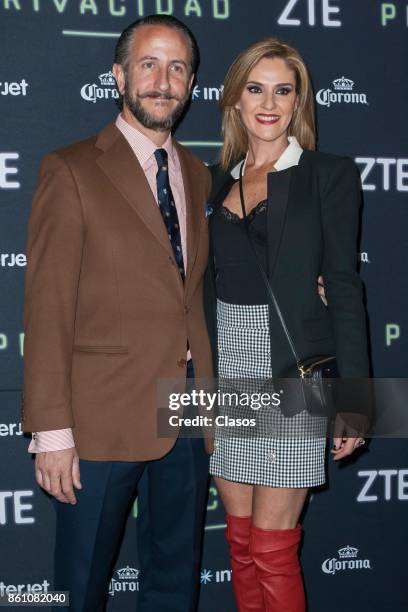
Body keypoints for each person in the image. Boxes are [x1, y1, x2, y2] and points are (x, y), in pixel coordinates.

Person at [21, 15, 214, 612]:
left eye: (178, 67)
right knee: (83, 585)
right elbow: (48, 304)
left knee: (174, 580)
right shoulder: (71, 168)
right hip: (99, 416)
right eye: (149, 64)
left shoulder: (200, 175)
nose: (164, 80)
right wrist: (51, 430)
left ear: (191, 83)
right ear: (119, 75)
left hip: (188, 407)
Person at [204, 38, 370, 611]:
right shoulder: (212, 180)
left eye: (283, 89)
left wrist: (354, 401)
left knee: (274, 549)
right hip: (223, 366)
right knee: (241, 542)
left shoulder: (328, 174)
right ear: (234, 100)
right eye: (255, 88)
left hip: (291, 368)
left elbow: (344, 287)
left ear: (298, 101)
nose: (268, 103)